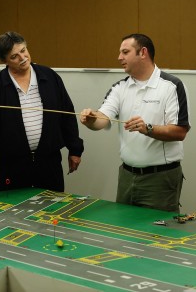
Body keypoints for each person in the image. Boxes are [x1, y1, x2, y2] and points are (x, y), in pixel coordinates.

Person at [0, 31, 84, 192]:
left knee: (51, 213)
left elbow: (67, 115)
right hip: (11, 166)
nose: (23, 58)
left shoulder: (50, 77)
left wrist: (75, 149)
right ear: (4, 61)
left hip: (48, 162)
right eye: (14, 56)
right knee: (14, 215)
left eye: (23, 51)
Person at [80, 33, 190, 213]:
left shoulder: (172, 86)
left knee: (157, 236)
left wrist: (148, 129)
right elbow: (102, 119)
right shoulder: (119, 88)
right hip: (127, 176)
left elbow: (180, 132)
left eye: (125, 52)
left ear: (143, 52)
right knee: (124, 231)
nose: (119, 58)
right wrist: (91, 119)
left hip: (160, 179)